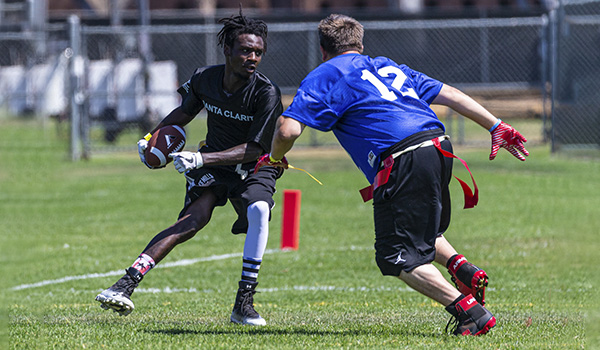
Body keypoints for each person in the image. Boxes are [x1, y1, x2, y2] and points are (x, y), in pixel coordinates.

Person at [256, 14, 529, 336]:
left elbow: (287, 130)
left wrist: (273, 158)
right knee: (419, 232)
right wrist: (496, 126)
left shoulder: (326, 73)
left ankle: (470, 313)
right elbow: (450, 94)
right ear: (360, 43)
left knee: (396, 257)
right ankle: (462, 268)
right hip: (439, 148)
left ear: (323, 49)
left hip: (403, 156)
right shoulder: (387, 66)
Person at [95, 10, 283, 326]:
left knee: (259, 210)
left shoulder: (266, 92)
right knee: (192, 220)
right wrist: (151, 138)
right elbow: (183, 114)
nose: (252, 58)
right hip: (216, 165)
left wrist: (200, 158)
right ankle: (125, 284)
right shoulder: (204, 79)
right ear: (227, 50)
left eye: (258, 52)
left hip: (255, 165)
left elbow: (255, 148)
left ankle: (244, 303)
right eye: (245, 50)